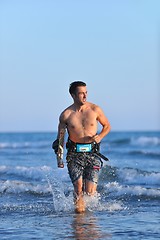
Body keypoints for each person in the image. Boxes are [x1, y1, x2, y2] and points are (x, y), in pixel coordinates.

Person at [52, 81, 111, 213]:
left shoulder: (95, 109)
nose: (85, 96)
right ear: (73, 95)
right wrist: (59, 158)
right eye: (81, 93)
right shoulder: (66, 115)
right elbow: (60, 139)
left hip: (93, 154)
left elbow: (107, 126)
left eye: (86, 93)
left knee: (90, 193)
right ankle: (79, 219)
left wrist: (100, 136)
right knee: (78, 189)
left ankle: (86, 216)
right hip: (74, 155)